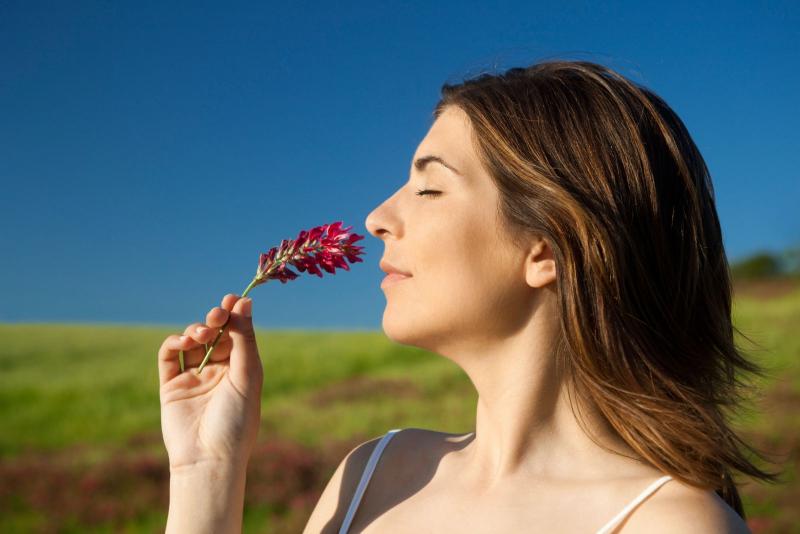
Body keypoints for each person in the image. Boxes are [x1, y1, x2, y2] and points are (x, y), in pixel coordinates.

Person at [158, 60, 780, 533]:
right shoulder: (376, 473)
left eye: (429, 190)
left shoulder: (665, 523)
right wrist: (207, 473)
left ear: (547, 248)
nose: (377, 217)